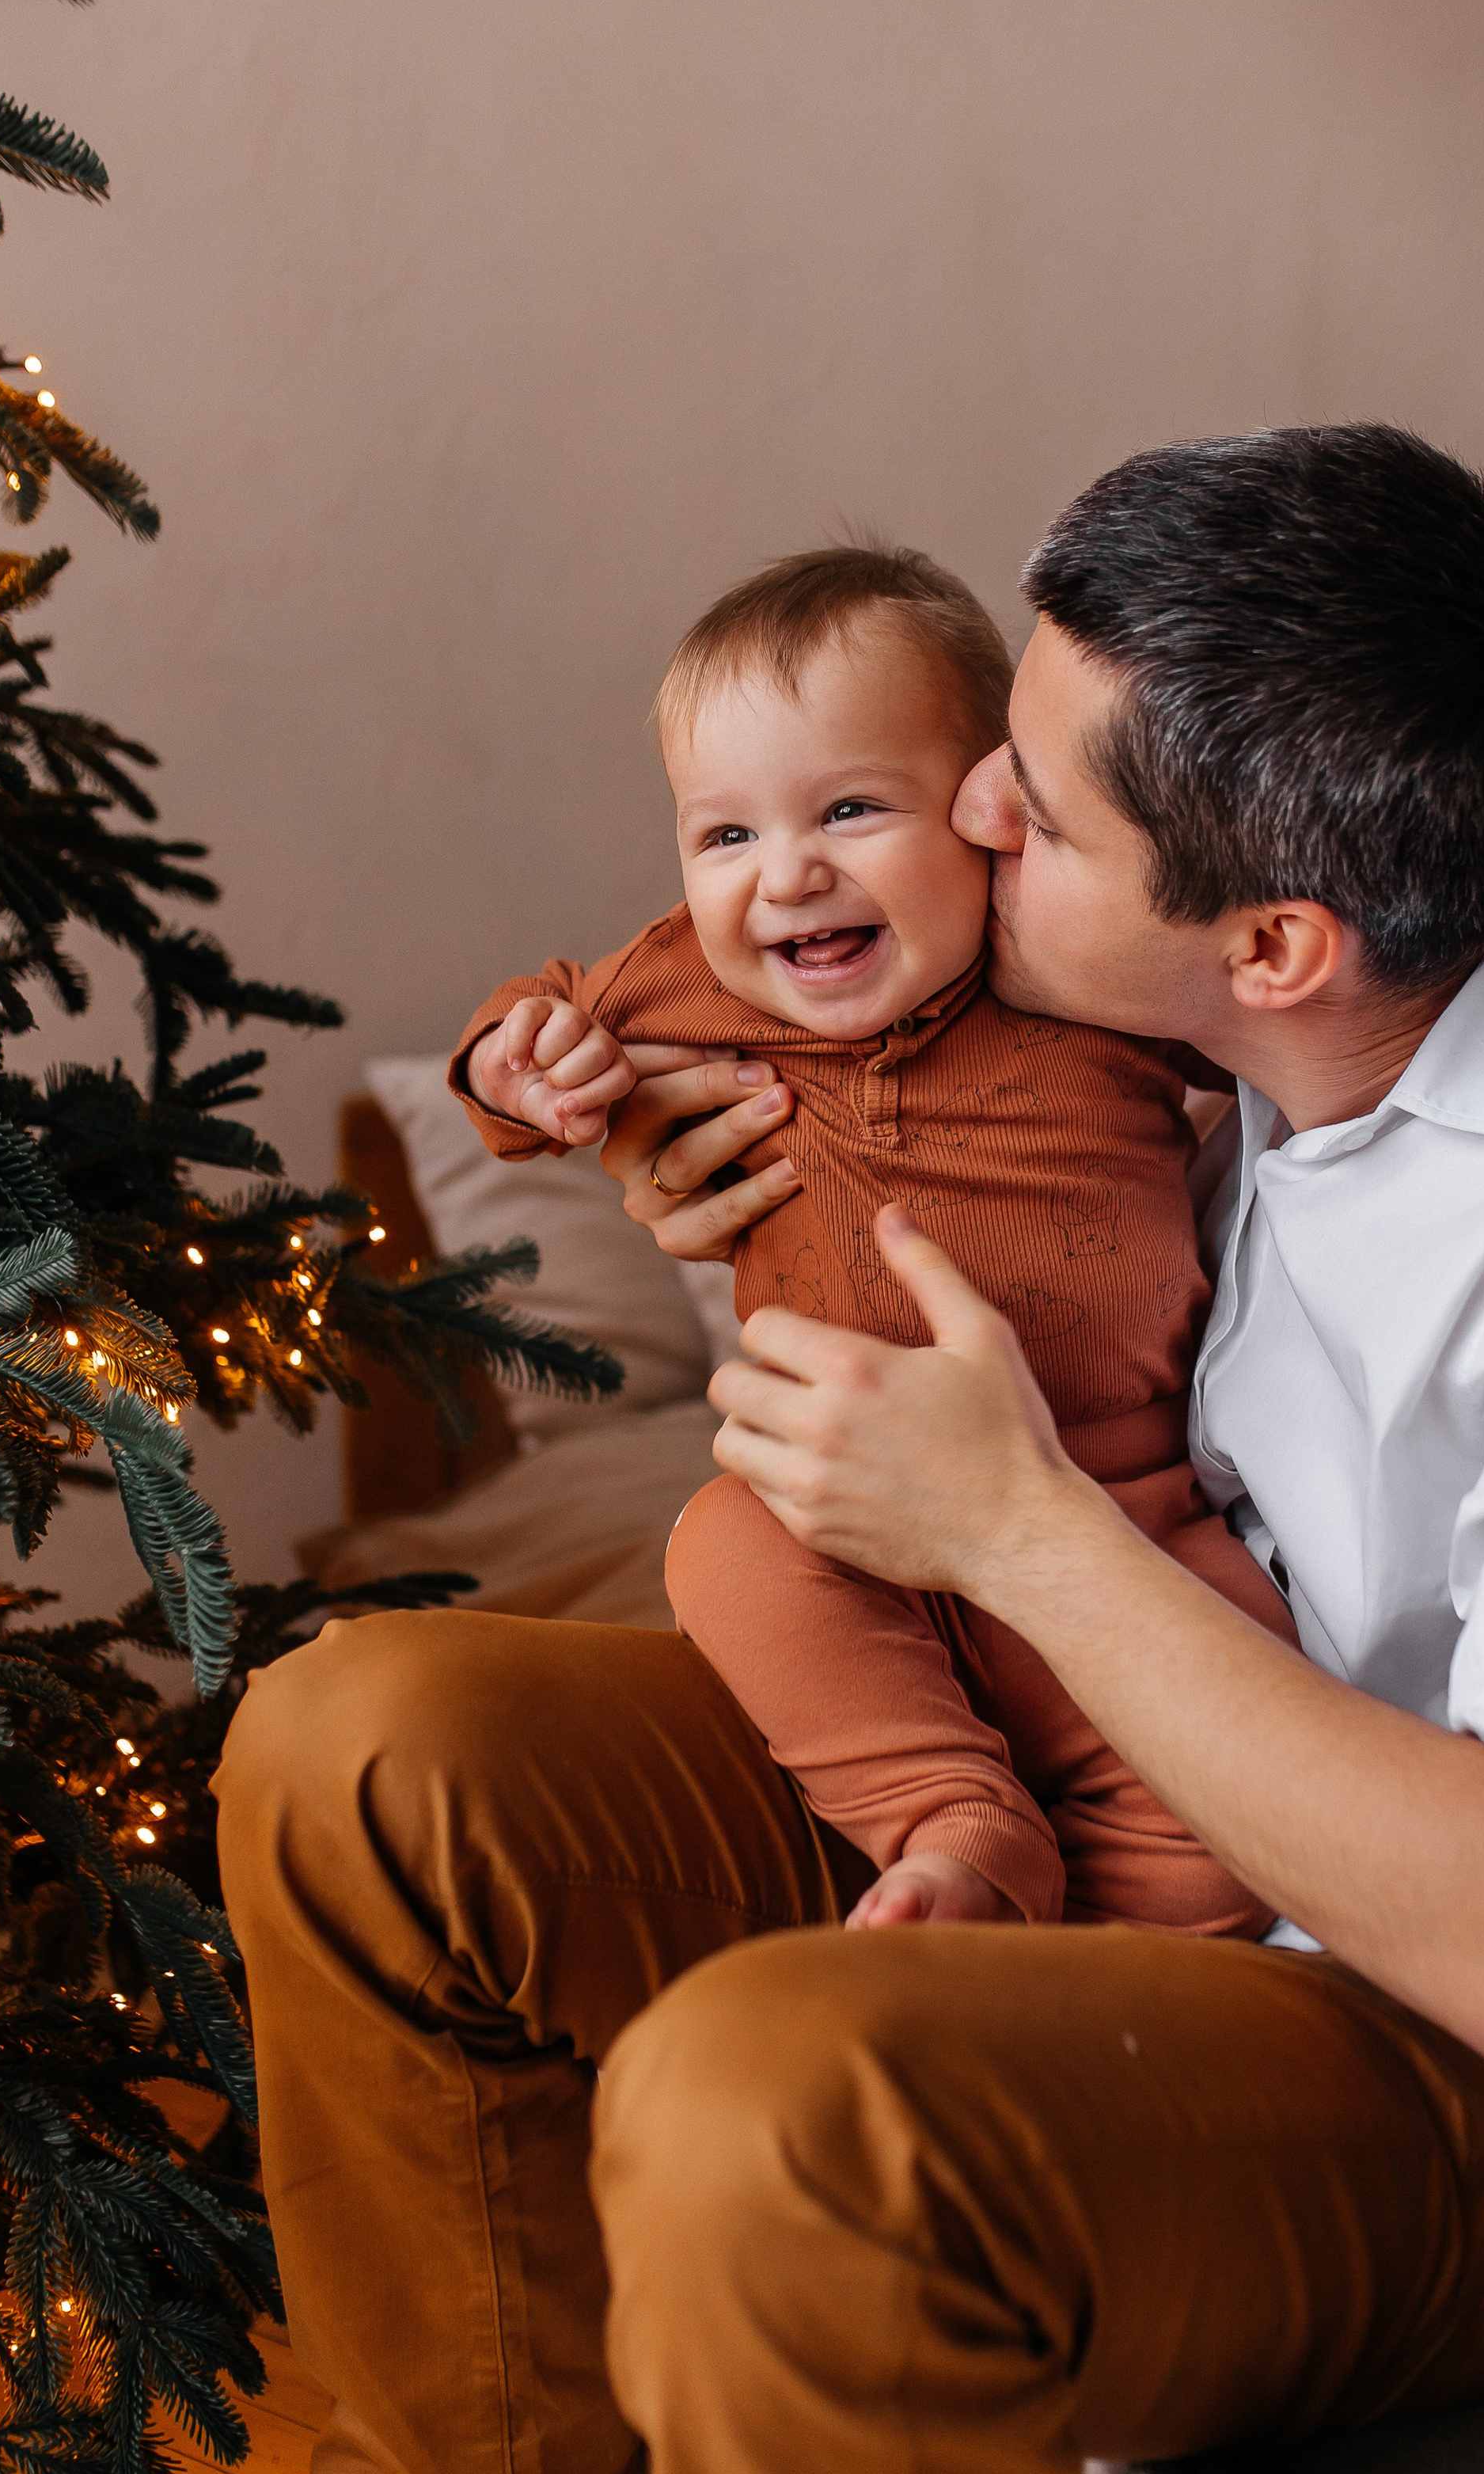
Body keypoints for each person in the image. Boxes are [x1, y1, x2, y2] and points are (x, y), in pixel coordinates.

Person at [216, 425, 1484, 2474]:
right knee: (364, 1743)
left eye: (1027, 797)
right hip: (1092, 1762)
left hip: (1470, 2064)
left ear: (1278, 938)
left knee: (780, 2105)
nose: (968, 819)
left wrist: (1008, 1521)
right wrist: (766, 1213)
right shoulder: (1210, 1030)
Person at [450, 538, 1295, 1938]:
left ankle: (1075, 2005)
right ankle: (950, 1828)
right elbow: (536, 1011)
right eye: (725, 833)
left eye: (849, 809)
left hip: (1115, 1513)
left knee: (1233, 1808)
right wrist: (517, 1068)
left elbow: (1279, 1041)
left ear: (987, 810)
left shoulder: (1084, 981)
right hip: (833, 1517)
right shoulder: (693, 991)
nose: (783, 877)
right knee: (721, 1546)